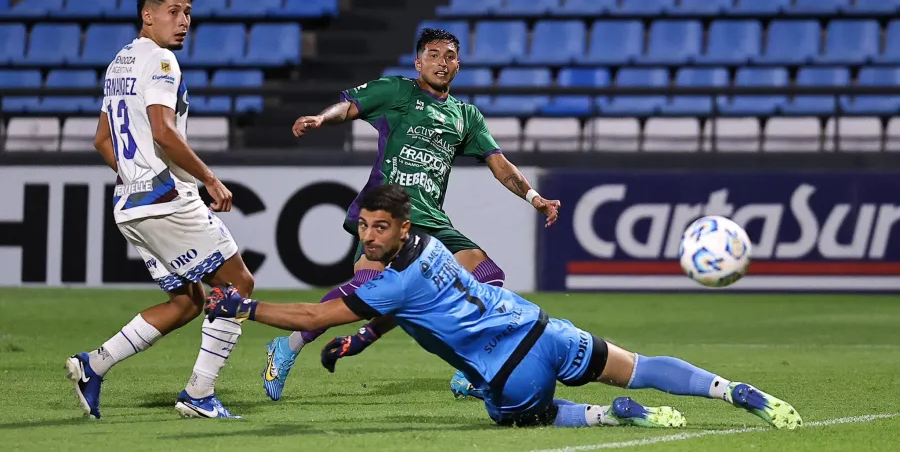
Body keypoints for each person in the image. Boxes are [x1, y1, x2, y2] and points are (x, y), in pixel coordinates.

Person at [212, 185, 802, 430]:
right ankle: (734, 390)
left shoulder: (389, 284)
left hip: (512, 369)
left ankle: (611, 416)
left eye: (379, 228)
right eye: (363, 226)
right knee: (639, 362)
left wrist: (244, 307)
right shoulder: (432, 247)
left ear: (401, 228)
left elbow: (314, 318)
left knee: (519, 417)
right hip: (543, 327)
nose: (368, 237)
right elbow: (412, 307)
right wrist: (365, 337)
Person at [262, 28, 561, 401]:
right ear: (419, 62)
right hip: (387, 211)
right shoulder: (398, 92)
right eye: (433, 55)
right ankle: (287, 346)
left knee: (486, 276)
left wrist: (535, 198)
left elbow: (499, 164)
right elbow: (350, 106)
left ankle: (468, 371)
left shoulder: (466, 116)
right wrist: (322, 120)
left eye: (450, 55)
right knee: (363, 295)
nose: (442, 62)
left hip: (432, 220)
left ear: (458, 65)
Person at [65, 0, 253, 420]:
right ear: (147, 15)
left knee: (187, 302)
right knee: (238, 285)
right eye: (173, 11)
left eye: (188, 12)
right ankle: (199, 394)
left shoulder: (120, 62)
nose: (183, 20)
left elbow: (101, 140)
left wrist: (133, 177)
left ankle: (94, 365)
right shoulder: (163, 61)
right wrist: (209, 178)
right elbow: (165, 132)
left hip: (129, 204)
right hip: (165, 200)